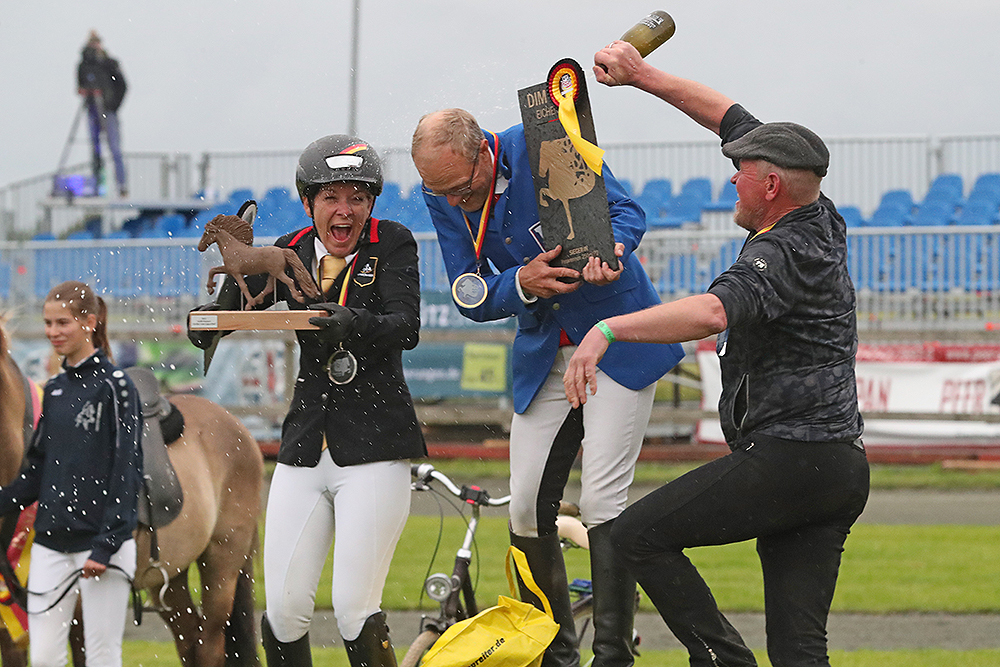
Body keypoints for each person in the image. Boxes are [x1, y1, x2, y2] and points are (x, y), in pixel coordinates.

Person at [562, 42, 871, 667]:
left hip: (793, 457)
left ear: (772, 184)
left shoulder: (783, 251)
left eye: (742, 170)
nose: (731, 176)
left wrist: (608, 331)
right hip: (836, 467)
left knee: (635, 535)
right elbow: (728, 116)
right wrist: (642, 74)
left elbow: (710, 313)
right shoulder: (819, 212)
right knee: (800, 650)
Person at [412, 109, 684, 667]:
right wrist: (519, 283)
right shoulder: (442, 192)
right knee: (525, 511)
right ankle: (556, 656)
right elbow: (470, 292)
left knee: (605, 503)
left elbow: (628, 212)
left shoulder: (546, 142)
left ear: (484, 152)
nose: (454, 203)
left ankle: (613, 658)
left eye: (462, 190)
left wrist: (613, 251)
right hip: (544, 354)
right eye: (439, 193)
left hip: (618, 342)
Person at [187, 135, 425, 667]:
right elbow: (235, 306)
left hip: (376, 446)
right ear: (309, 202)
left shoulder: (394, 241)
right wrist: (207, 325)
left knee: (352, 609)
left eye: (358, 198)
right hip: (303, 447)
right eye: (332, 197)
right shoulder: (289, 246)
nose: (345, 210)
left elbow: (406, 326)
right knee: (285, 610)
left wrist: (354, 323)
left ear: (372, 204)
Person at [0, 281, 142, 667]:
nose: (52, 332)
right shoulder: (56, 390)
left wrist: (106, 544)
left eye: (62, 322)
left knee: (100, 656)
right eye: (47, 323)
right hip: (51, 545)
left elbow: (127, 469)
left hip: (102, 548)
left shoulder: (116, 387)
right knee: (45, 658)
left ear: (90, 323)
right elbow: (37, 473)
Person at [77, 30, 128, 197]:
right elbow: (80, 85)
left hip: (108, 109)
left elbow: (122, 85)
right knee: (96, 149)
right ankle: (97, 185)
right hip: (92, 110)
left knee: (114, 148)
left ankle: (122, 184)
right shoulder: (84, 65)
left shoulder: (109, 63)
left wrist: (113, 105)